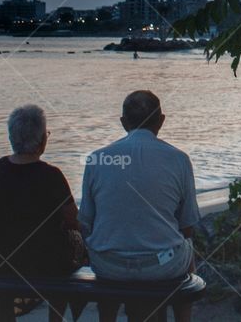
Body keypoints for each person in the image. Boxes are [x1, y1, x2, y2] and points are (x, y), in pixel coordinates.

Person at [80, 90, 200, 322]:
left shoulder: (98, 158)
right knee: (187, 248)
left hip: (109, 265)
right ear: (161, 120)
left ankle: (107, 318)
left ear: (123, 122)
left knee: (107, 257)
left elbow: (86, 222)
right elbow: (188, 226)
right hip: (162, 266)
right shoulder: (179, 159)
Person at [0, 104, 85, 322]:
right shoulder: (51, 176)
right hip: (44, 264)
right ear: (42, 141)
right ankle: (55, 319)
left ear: (12, 138)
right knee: (74, 242)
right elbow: (74, 220)